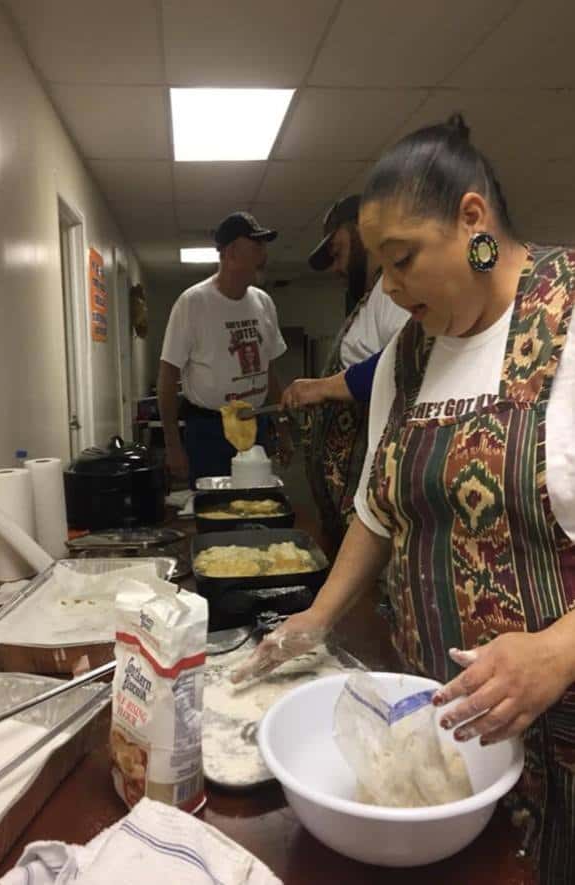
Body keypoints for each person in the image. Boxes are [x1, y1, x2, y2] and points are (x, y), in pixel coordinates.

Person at [234, 115, 575, 883]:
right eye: (381, 266)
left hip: (559, 738)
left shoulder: (567, 317)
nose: (388, 285)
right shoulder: (410, 352)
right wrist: (316, 618)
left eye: (403, 259)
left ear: (471, 220)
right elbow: (376, 509)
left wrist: (557, 650)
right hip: (436, 731)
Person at [282, 195, 407, 547]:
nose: (336, 268)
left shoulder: (392, 290)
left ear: (363, 230)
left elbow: (404, 361)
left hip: (371, 490)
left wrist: (322, 388)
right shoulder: (369, 298)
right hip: (345, 501)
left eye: (337, 252)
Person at [158, 212, 291, 487]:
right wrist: (172, 446)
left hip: (255, 425)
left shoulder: (263, 302)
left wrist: (282, 428)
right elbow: (167, 377)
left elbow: (270, 371)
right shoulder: (193, 303)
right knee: (215, 508)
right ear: (230, 253)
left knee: (258, 503)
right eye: (256, 247)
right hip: (209, 431)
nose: (264, 255)